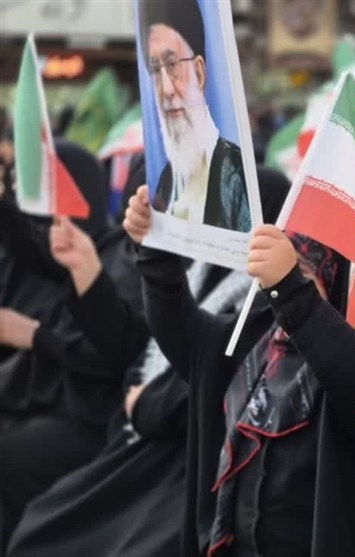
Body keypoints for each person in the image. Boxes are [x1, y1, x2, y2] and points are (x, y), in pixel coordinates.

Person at [5, 167, 292, 557]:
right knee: (41, 526)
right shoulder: (192, 268)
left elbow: (215, 373)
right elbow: (145, 343)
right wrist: (88, 269)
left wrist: (148, 404)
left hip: (182, 454)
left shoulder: (265, 302)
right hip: (135, 433)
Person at [123, 176, 355, 556]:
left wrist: (293, 293)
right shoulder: (260, 337)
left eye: (301, 273)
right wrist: (155, 248)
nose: (282, 288)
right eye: (283, 273)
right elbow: (184, 335)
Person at [0, 140, 145, 552]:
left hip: (98, 416)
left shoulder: (144, 263)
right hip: (58, 398)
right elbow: (33, 248)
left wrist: (35, 335)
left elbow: (118, 347)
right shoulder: (108, 246)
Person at [138, 0, 251, 232]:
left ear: (199, 72)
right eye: (156, 71)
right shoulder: (168, 180)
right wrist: (142, 236)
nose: (166, 90)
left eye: (172, 65)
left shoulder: (235, 174)